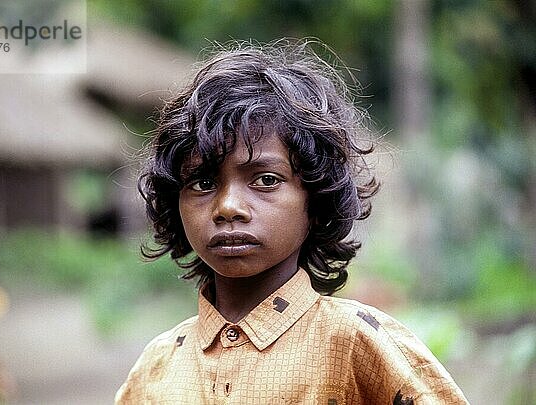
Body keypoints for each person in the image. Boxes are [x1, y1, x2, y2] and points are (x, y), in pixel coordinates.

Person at [115, 40, 469, 404]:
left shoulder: (353, 342)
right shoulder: (157, 367)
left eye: (266, 180)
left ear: (316, 200)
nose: (228, 206)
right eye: (203, 183)